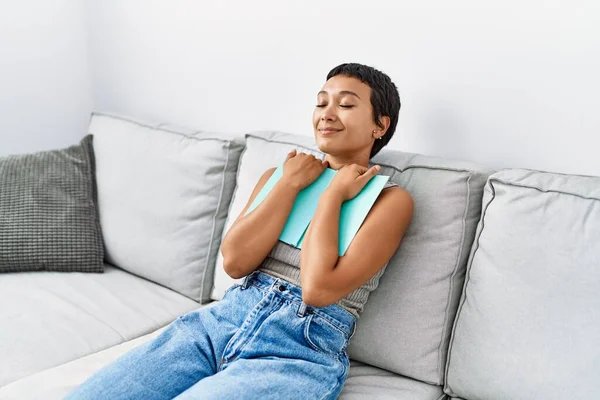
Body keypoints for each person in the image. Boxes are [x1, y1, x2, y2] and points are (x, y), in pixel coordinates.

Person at [65, 63, 414, 400]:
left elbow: (318, 289)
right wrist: (288, 184)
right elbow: (235, 263)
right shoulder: (282, 177)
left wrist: (333, 195)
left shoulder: (390, 201)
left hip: (299, 347)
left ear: (379, 125)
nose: (327, 113)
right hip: (220, 321)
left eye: (347, 104)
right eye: (321, 102)